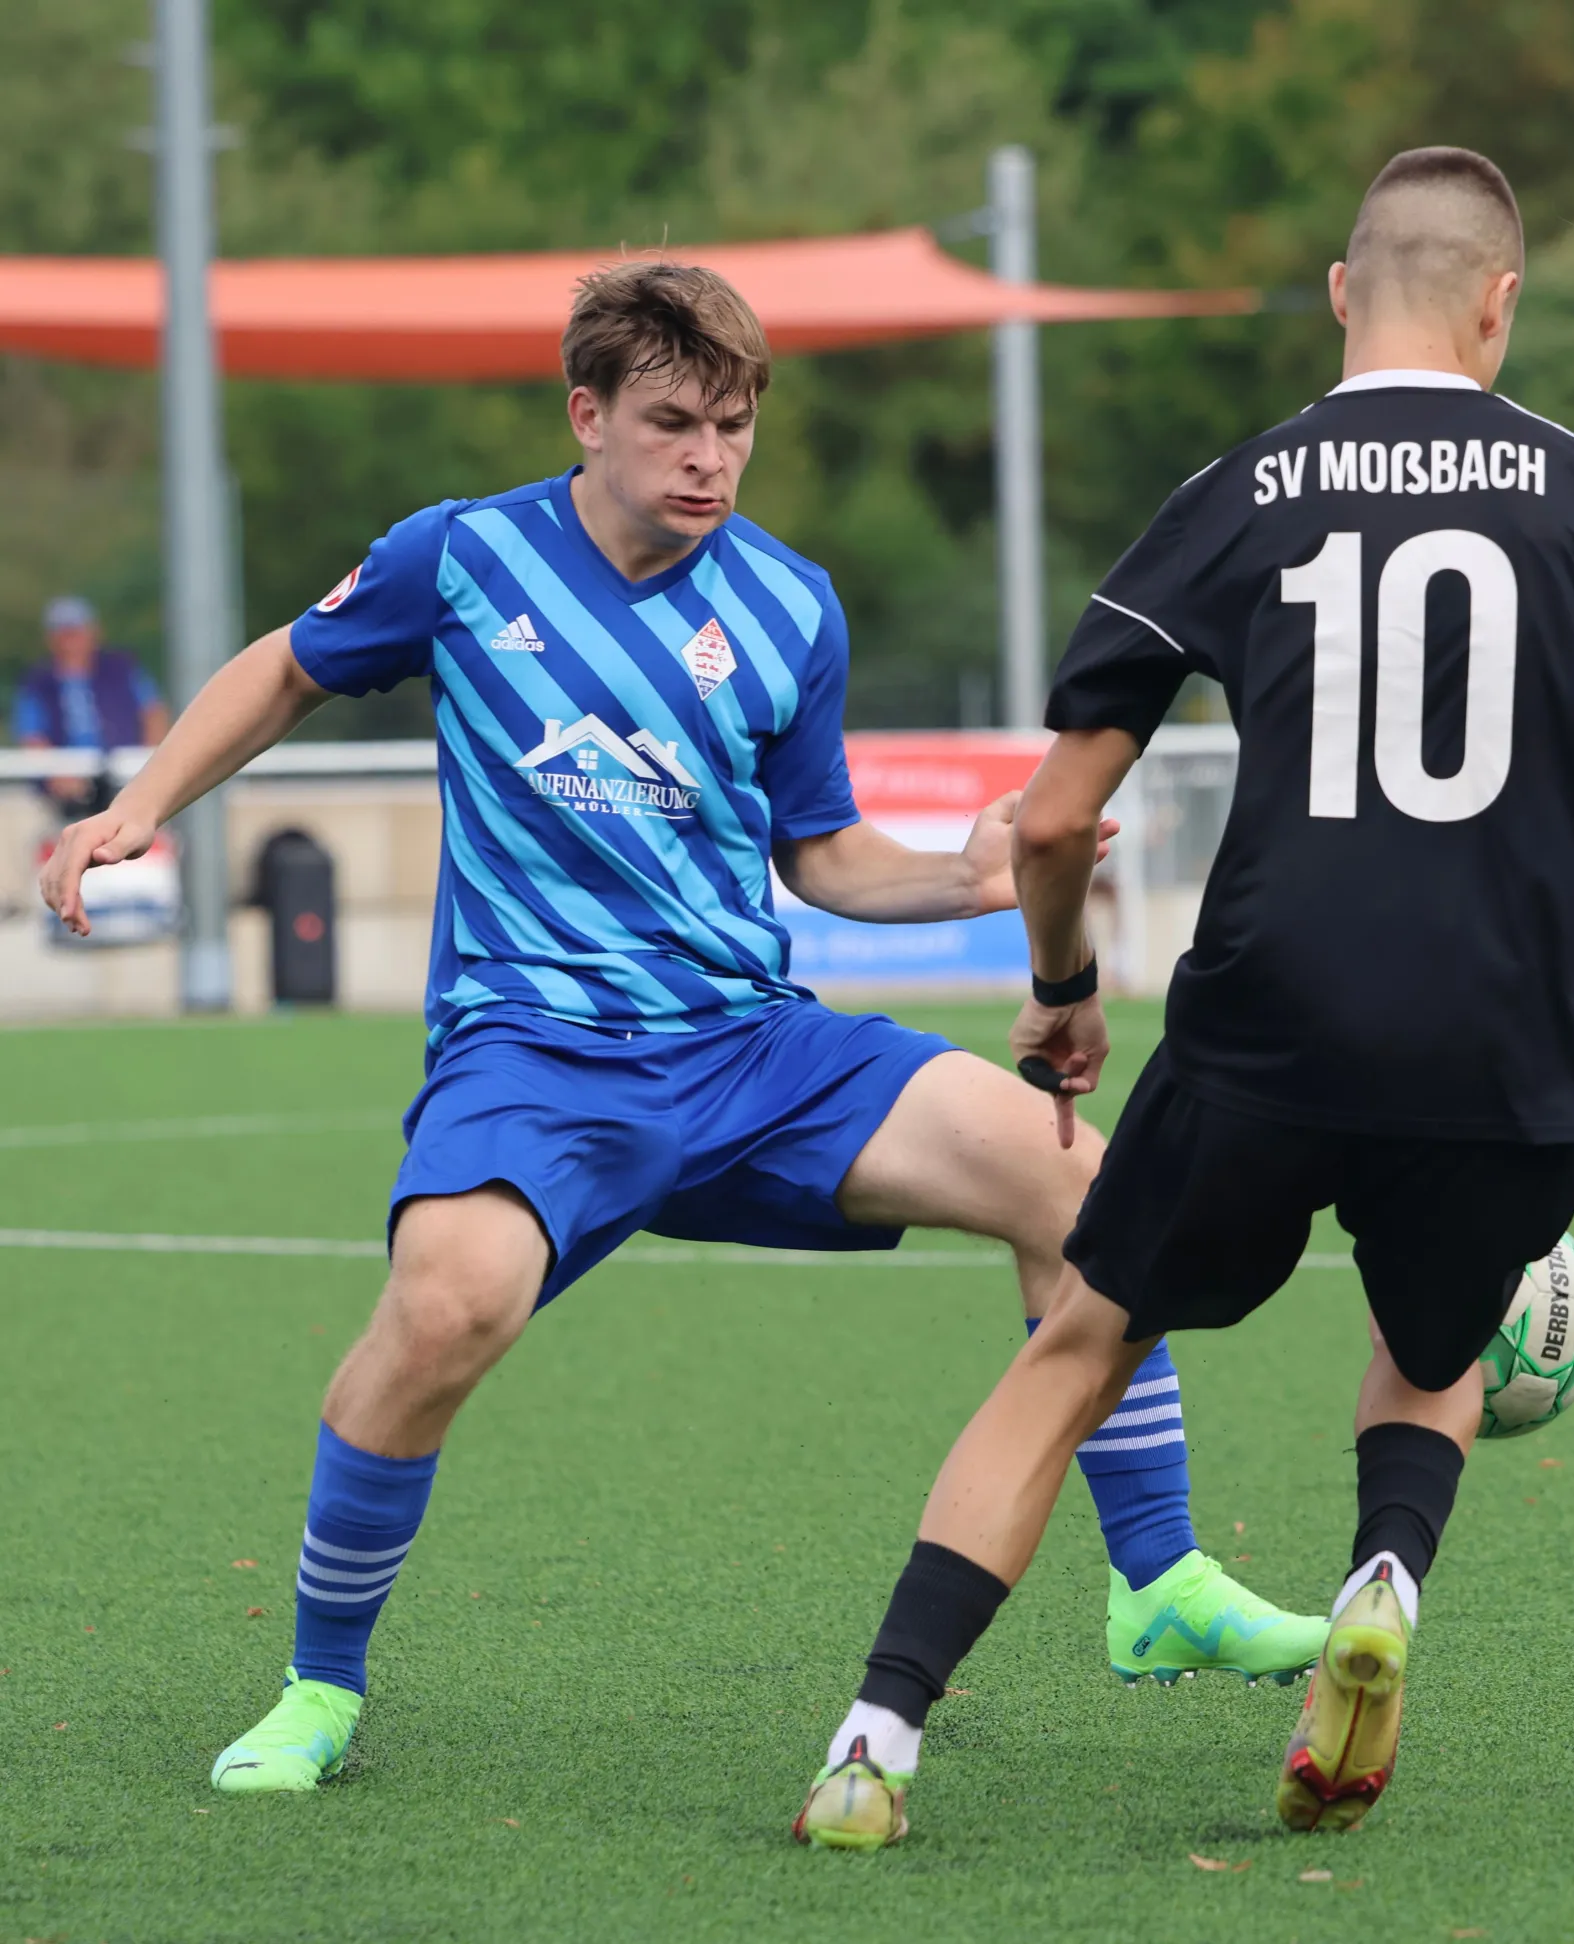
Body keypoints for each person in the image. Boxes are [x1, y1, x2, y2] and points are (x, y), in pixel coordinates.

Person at [37, 263, 1326, 1797]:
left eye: (732, 426)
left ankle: (1158, 1579)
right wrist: (141, 805)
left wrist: (966, 878)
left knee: (1085, 1186)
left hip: (752, 1052)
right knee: (446, 1309)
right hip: (535, 1052)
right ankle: (320, 1682)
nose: (709, 458)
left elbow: (821, 857)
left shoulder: (790, 603)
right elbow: (284, 670)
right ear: (587, 416)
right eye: (673, 424)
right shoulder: (461, 556)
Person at [795, 146, 1574, 1850]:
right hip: (1511, 1040)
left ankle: (875, 1736)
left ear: (1342, 295)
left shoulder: (1236, 490)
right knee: (1431, 1349)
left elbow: (1048, 821)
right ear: (1500, 303)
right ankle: (1383, 1577)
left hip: (1272, 1018)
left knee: (1083, 1344)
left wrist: (1061, 989)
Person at [12, 595, 169, 807]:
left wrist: (149, 765)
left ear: (94, 632)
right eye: (64, 634)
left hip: (125, 775)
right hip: (64, 788)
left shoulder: (122, 670)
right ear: (51, 639)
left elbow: (153, 714)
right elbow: (33, 736)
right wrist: (56, 774)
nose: (71, 641)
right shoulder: (38, 683)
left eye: (76, 632)